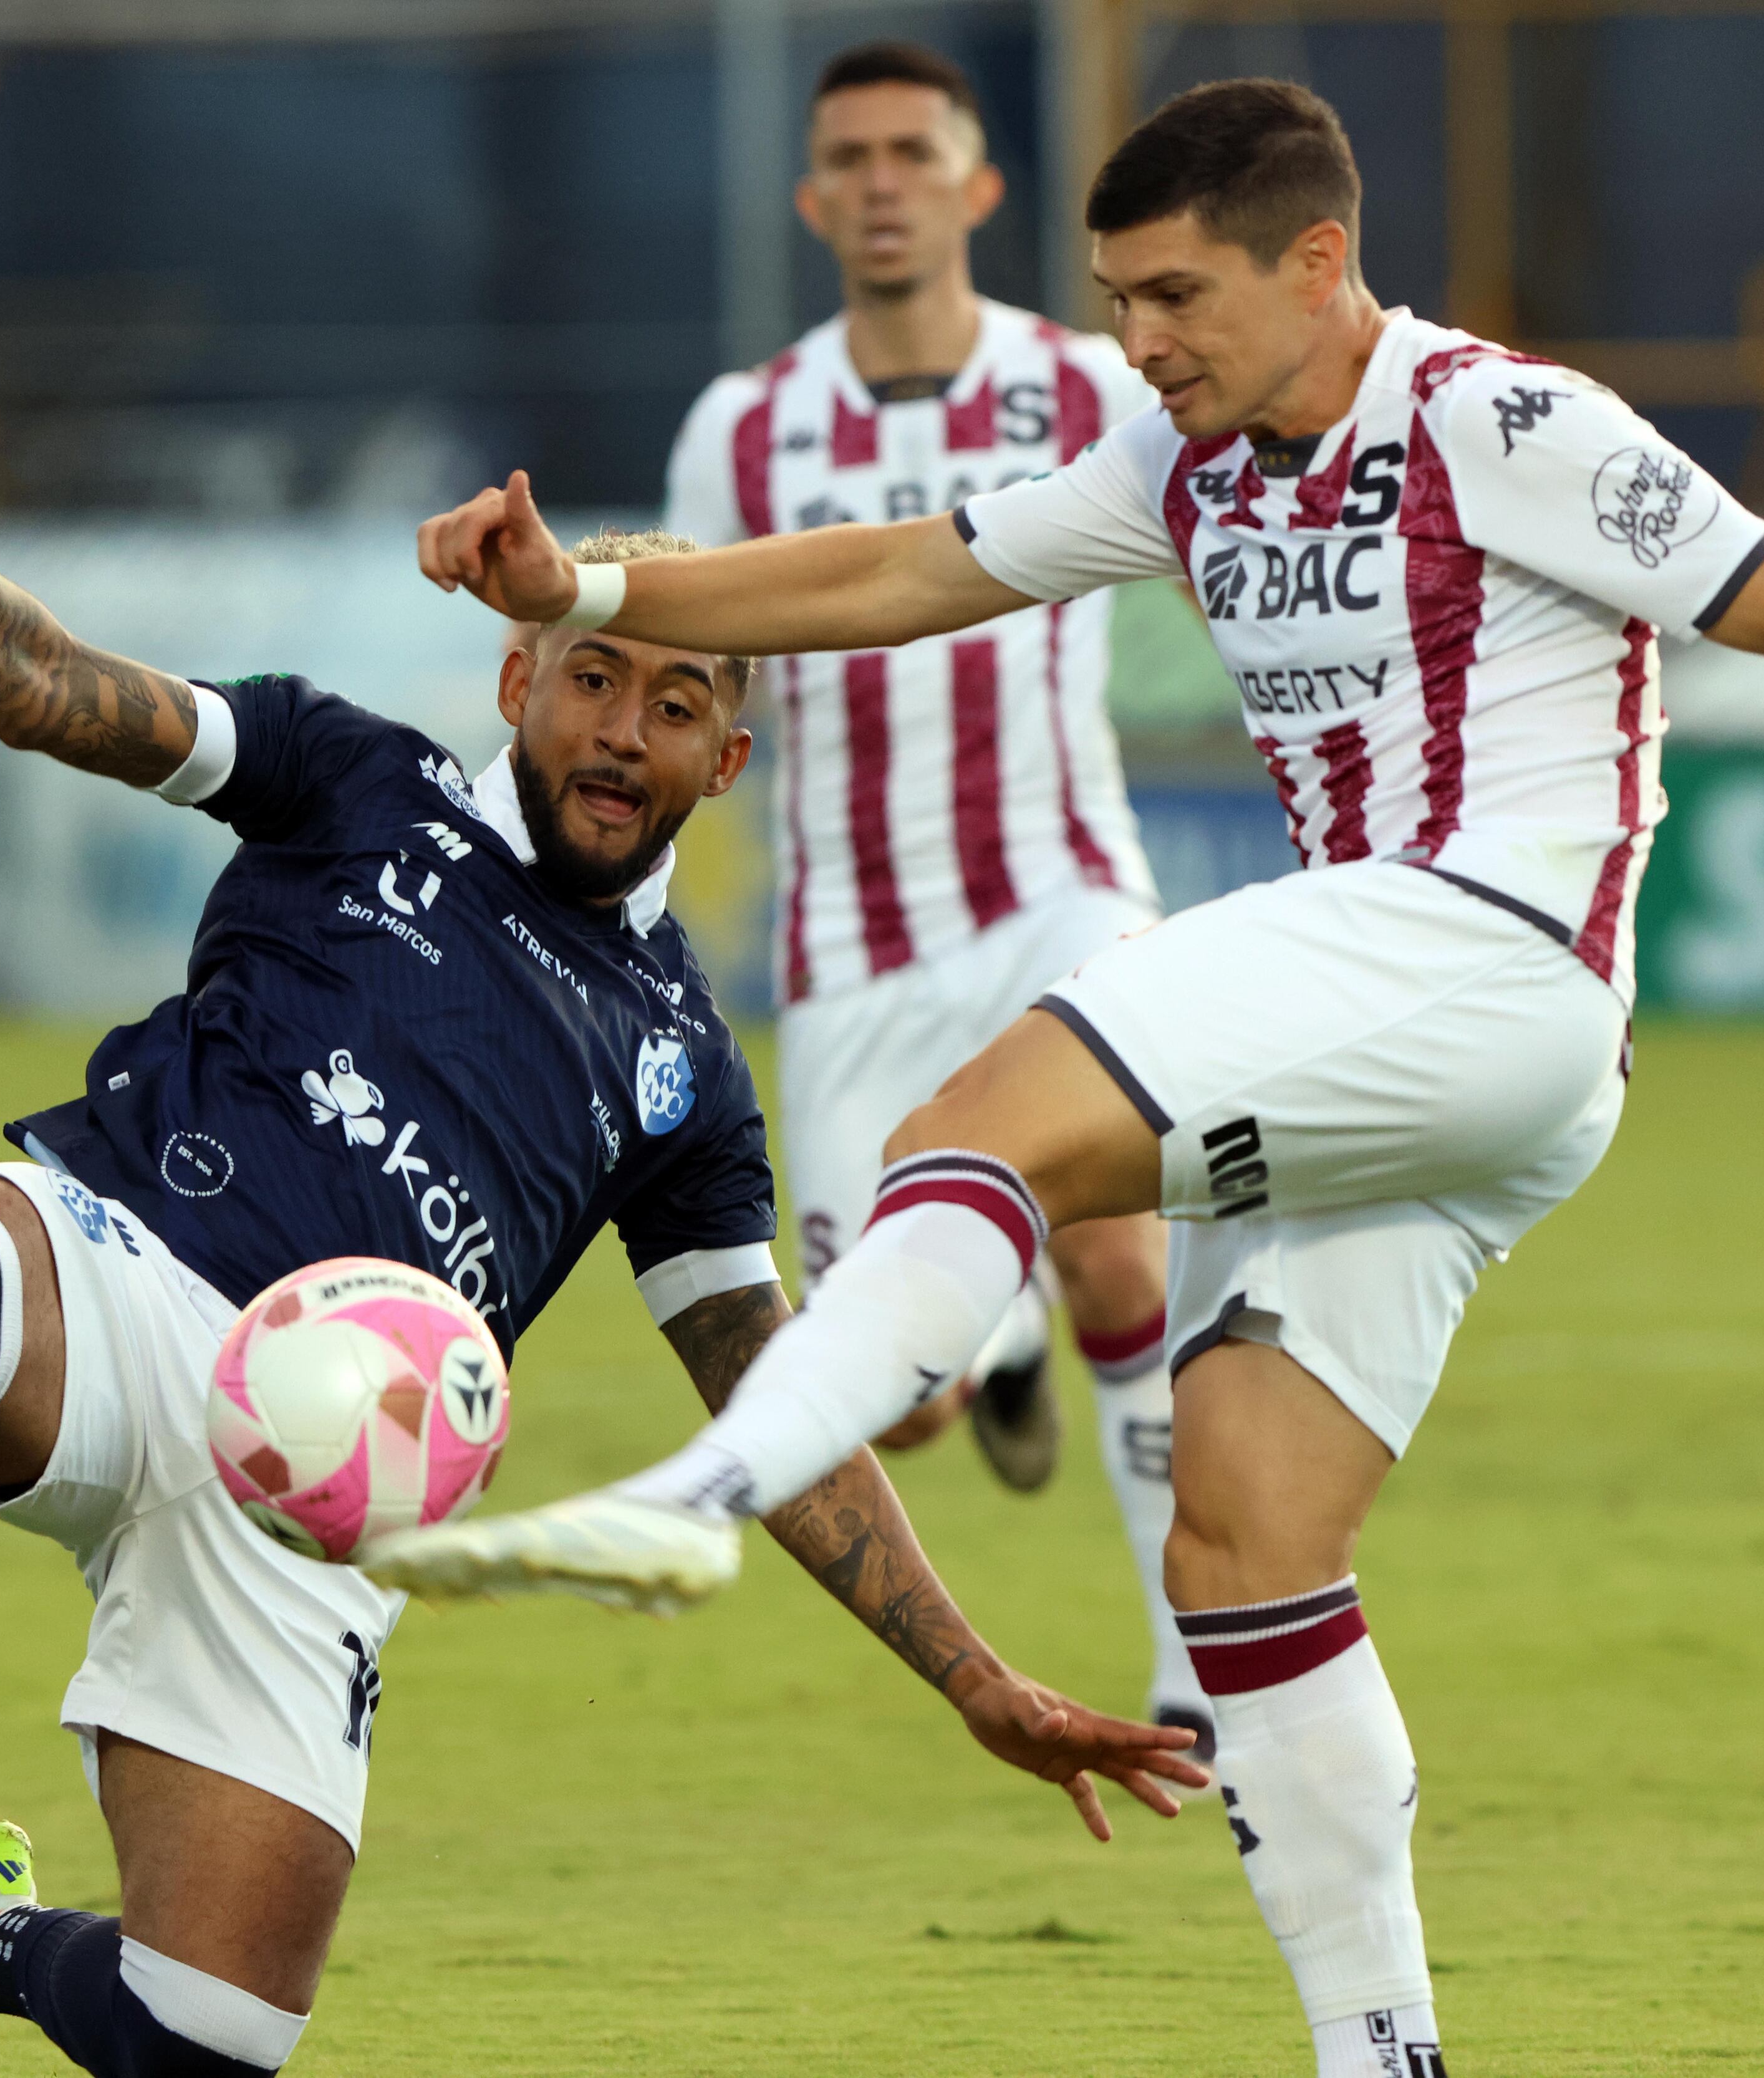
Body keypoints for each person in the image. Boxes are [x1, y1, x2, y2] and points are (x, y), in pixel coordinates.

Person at [377, 80, 1764, 2078]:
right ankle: (1384, 2056)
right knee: (1246, 1546)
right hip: (1433, 1056)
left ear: (1319, 263)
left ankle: (705, 1490)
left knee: (976, 1131)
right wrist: (583, 592)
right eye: (1117, 303)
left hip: (1485, 954)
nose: (1145, 341)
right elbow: (898, 576)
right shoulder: (1182, 468)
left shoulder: (1504, 423)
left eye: (1177, 295)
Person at [0, 292, 1205, 2078]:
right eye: (594, 678)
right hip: (126, 1272)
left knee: (209, 2038)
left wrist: (976, 1677)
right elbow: (55, 694)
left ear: (729, 758)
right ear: (516, 680)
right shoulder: (354, 780)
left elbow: (781, 1404)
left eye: (678, 702)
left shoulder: (689, 1068)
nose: (624, 731)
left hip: (318, 1503)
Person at [664, 37, 1211, 1753]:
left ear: (977, 188)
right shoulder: (742, 431)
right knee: (898, 1400)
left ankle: (1202, 1668)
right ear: (817, 201)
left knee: (1127, 1228)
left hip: (1059, 888)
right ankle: (1005, 1342)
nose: (886, 179)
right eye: (855, 158)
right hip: (853, 949)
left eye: (917, 150)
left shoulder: (1086, 386)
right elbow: (686, 666)